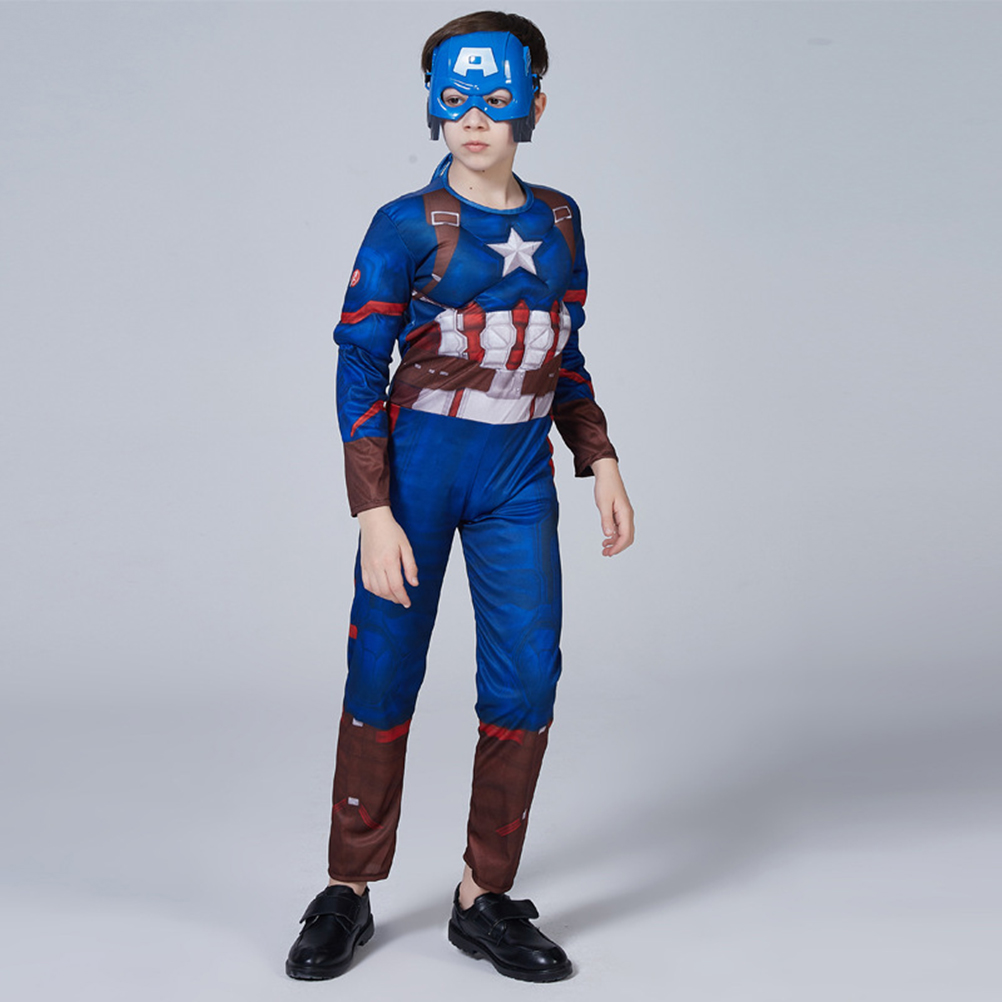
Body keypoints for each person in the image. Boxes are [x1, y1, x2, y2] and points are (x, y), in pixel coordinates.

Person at [286, 10, 634, 984]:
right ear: (434, 107)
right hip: (418, 476)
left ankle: (486, 896)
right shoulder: (406, 225)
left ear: (534, 106)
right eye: (455, 98)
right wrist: (372, 507)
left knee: (525, 684)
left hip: (517, 479)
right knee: (383, 673)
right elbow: (359, 362)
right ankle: (348, 888)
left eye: (496, 98)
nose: (475, 118)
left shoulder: (560, 221)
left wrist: (599, 455)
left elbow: (559, 351)